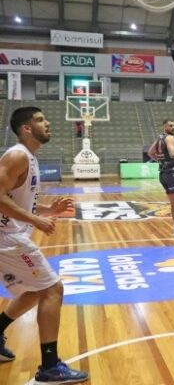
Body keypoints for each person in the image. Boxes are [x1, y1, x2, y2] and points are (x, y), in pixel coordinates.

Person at [0, 107, 88, 383]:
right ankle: (50, 366)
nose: (47, 123)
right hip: (7, 238)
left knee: (35, 290)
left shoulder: (30, 158)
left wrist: (48, 210)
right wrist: (36, 221)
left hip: (11, 236)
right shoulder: (16, 156)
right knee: (52, 288)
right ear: (26, 128)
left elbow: (19, 200)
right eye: (40, 120)